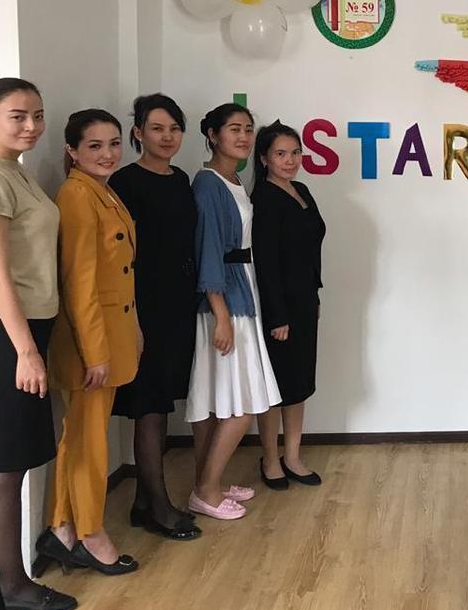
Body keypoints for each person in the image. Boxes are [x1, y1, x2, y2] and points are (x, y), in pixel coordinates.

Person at [0, 78, 77, 610]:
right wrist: (27, 352)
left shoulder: (17, 171)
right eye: (17, 116)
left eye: (37, 115)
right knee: (6, 468)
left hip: (27, 332)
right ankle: (12, 586)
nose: (31, 126)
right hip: (11, 337)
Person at [40, 110, 141, 575]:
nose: (107, 153)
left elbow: (120, 273)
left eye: (114, 143)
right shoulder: (77, 195)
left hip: (111, 332)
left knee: (79, 436)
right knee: (89, 443)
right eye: (95, 146)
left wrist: (134, 328)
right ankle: (90, 533)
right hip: (88, 344)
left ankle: (61, 528)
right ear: (72, 150)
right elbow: (79, 283)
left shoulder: (103, 190)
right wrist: (95, 354)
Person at [110, 94, 201, 539]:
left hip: (176, 307)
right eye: (157, 128)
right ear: (138, 133)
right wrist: (132, 318)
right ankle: (159, 506)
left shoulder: (181, 179)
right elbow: (120, 256)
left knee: (161, 402)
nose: (167, 137)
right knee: (147, 404)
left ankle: (144, 501)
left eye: (174, 128)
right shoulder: (124, 182)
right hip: (142, 307)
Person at [186, 103, 281, 520]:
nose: (243, 137)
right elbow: (208, 249)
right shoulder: (208, 185)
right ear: (212, 135)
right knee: (241, 402)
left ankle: (209, 482)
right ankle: (205, 491)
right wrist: (220, 313)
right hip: (227, 299)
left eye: (248, 129)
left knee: (219, 396)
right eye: (234, 129)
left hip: (243, 290)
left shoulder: (235, 180)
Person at [252, 121, 326, 490]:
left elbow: (310, 249)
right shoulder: (263, 199)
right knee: (276, 386)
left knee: (299, 384)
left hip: (304, 301)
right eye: (281, 153)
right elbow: (266, 263)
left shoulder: (302, 190)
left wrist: (314, 294)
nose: (290, 160)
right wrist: (277, 316)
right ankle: (270, 459)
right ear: (264, 158)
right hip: (278, 309)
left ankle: (292, 456)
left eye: (295, 152)